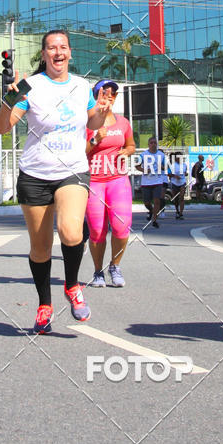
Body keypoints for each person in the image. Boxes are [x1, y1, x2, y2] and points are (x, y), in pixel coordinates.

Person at [0, 30, 110, 334]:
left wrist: (100, 111)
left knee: (71, 232)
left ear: (70, 53)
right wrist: (10, 98)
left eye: (63, 47)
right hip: (35, 174)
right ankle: (44, 304)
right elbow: (1, 128)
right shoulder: (31, 86)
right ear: (43, 55)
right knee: (41, 248)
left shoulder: (82, 85)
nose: (58, 52)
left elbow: (92, 122)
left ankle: (72, 286)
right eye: (51, 48)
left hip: (72, 170)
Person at [85, 79, 136, 288]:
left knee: (121, 226)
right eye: (104, 93)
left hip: (118, 180)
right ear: (96, 97)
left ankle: (115, 266)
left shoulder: (123, 122)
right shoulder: (87, 123)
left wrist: (127, 151)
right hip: (94, 182)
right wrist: (95, 139)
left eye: (113, 93)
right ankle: (98, 272)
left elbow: (131, 144)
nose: (110, 96)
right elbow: (80, 152)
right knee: (97, 231)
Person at [137, 136, 167, 228]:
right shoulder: (143, 155)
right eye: (151, 143)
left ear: (157, 144)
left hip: (157, 181)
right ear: (148, 144)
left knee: (157, 201)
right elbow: (137, 166)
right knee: (146, 202)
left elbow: (166, 167)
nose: (153, 144)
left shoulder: (161, 155)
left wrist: (160, 167)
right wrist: (144, 170)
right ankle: (151, 210)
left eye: (155, 143)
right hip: (146, 182)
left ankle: (154, 220)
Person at [168, 152, 188, 219]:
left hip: (182, 182)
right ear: (176, 158)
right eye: (178, 157)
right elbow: (168, 174)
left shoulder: (184, 165)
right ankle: (177, 211)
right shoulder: (172, 165)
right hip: (175, 183)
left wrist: (185, 174)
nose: (180, 159)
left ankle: (181, 213)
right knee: (176, 198)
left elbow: (185, 172)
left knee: (181, 197)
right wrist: (174, 176)